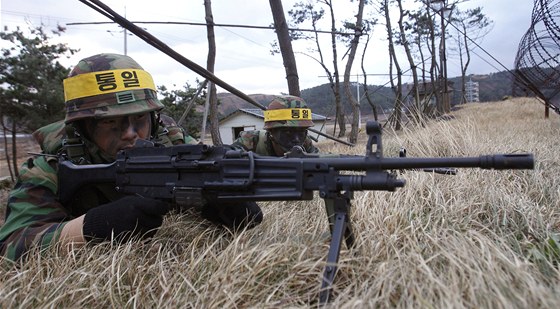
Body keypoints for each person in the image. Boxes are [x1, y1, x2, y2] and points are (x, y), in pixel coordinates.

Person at [0, 53, 262, 261]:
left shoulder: (172, 142)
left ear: (154, 118)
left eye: (139, 118)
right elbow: (11, 246)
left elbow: (209, 198)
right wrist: (90, 228)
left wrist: (228, 205)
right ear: (82, 128)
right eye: (110, 122)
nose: (130, 134)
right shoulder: (52, 166)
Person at [232, 95, 319, 156]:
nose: (296, 139)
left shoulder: (305, 143)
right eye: (288, 132)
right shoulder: (251, 141)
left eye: (302, 131)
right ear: (271, 131)